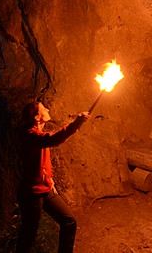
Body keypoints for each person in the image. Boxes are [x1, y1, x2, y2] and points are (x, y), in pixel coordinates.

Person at [15, 101, 90, 253]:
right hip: (32, 194)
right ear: (37, 117)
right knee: (28, 235)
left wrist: (50, 179)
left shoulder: (38, 134)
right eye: (44, 109)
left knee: (69, 221)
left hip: (45, 189)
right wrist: (75, 123)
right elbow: (53, 139)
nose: (48, 109)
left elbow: (42, 163)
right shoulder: (30, 134)